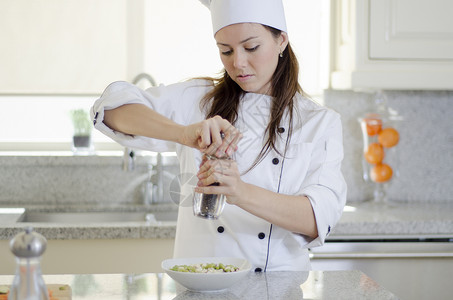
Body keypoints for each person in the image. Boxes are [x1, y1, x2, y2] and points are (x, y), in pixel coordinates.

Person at [91, 0, 346, 271]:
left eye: (251, 47)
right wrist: (183, 134)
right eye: (225, 51)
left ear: (281, 40)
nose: (237, 63)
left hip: (278, 287)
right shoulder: (198, 101)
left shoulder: (319, 122)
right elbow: (111, 110)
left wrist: (240, 191)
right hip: (200, 284)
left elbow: (317, 218)